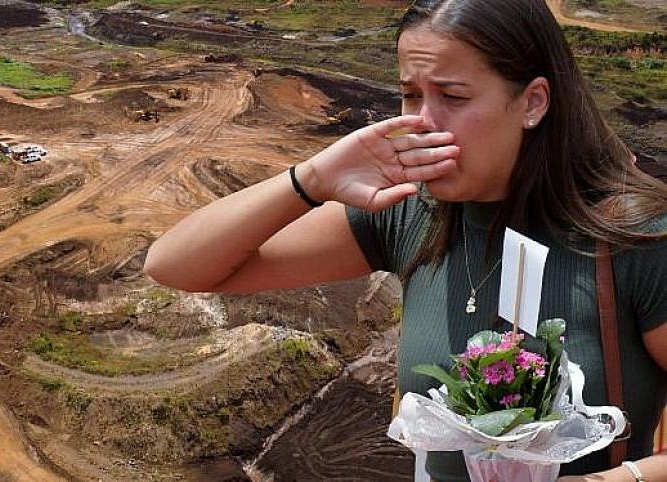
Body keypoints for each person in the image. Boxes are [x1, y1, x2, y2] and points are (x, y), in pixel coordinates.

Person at [144, 0, 667, 480]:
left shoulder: (633, 239)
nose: (421, 123)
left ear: (532, 102)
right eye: (410, 95)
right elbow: (176, 266)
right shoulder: (412, 214)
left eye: (452, 96)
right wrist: (311, 178)